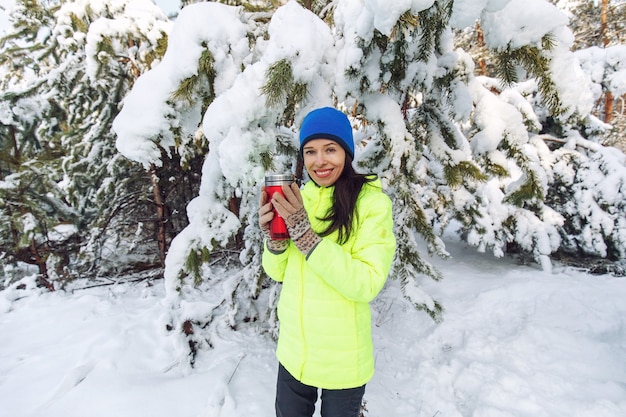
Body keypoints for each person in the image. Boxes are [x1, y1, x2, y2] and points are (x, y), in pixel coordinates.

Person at [258, 107, 396, 417]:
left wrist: (307, 236)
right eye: (310, 151)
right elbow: (278, 272)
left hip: (343, 359)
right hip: (295, 352)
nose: (320, 161)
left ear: (347, 153)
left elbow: (367, 283)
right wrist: (276, 240)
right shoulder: (300, 198)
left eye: (330, 149)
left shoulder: (371, 204)